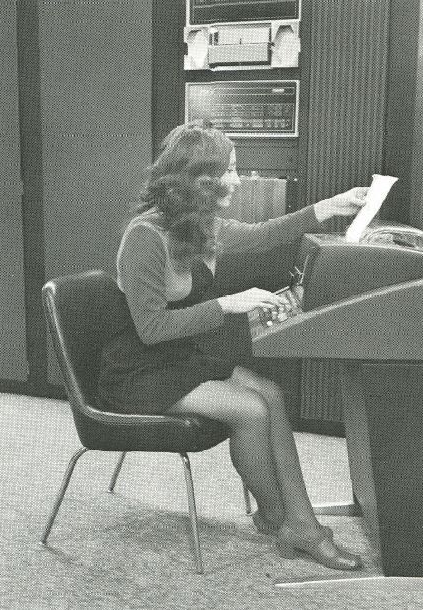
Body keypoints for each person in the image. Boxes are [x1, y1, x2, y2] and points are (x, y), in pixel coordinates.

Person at [98, 122, 368, 571]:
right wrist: (227, 304)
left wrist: (328, 207)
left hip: (177, 357)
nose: (239, 180)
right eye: (231, 170)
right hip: (139, 371)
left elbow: (262, 234)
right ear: (200, 180)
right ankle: (288, 521)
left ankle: (294, 520)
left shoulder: (198, 225)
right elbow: (151, 329)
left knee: (271, 394)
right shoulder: (144, 237)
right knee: (251, 409)